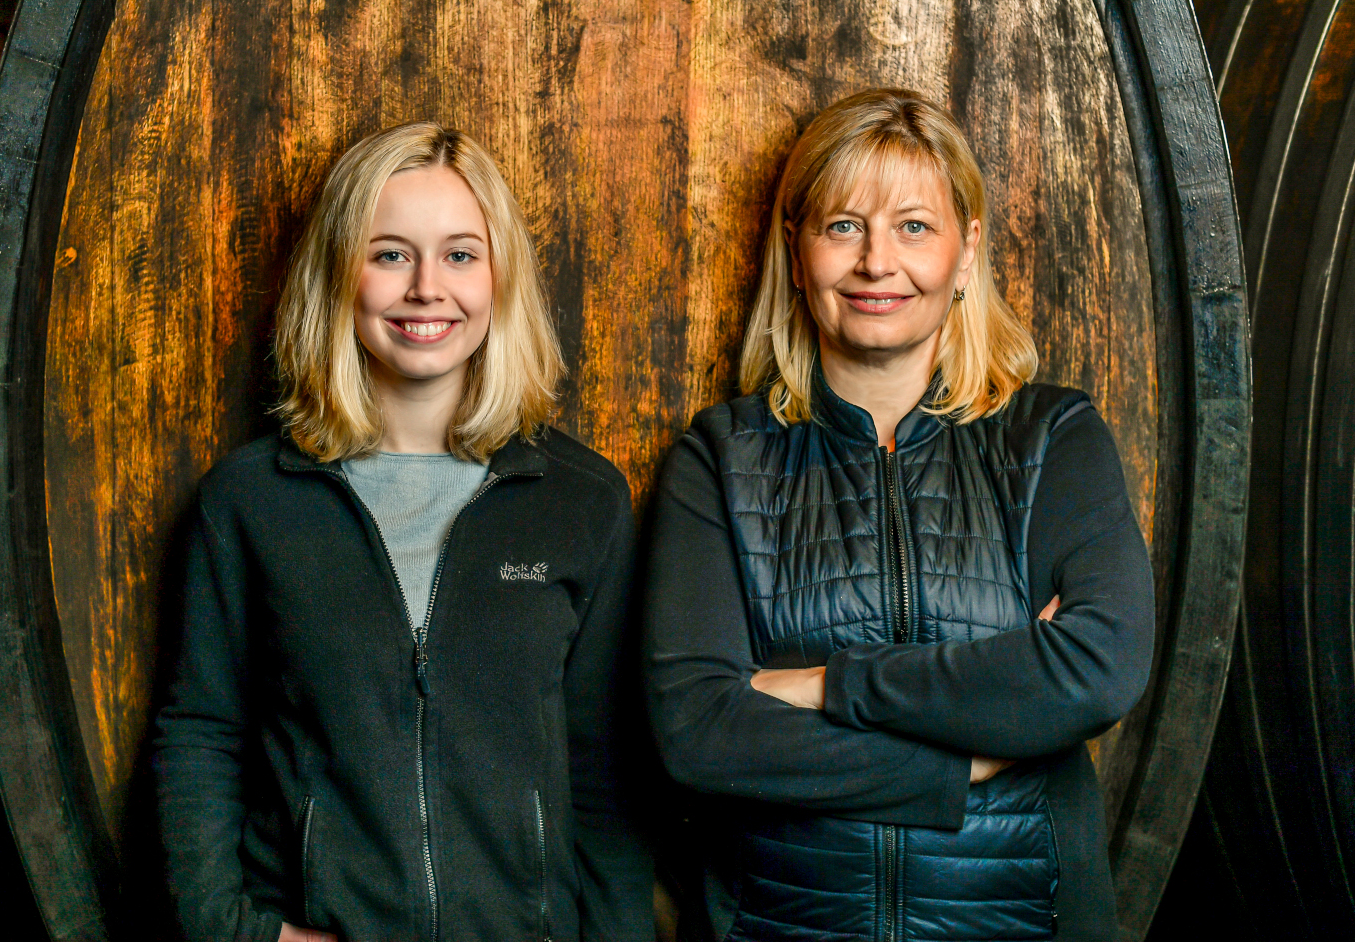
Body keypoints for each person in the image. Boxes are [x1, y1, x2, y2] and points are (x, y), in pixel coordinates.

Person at [642, 89, 1154, 942]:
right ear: (796, 253)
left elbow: (1094, 668)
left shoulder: (1052, 438)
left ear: (966, 250)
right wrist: (971, 757)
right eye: (843, 226)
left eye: (914, 227)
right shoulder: (722, 457)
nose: (878, 262)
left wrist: (826, 686)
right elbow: (699, 731)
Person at [153, 122, 654, 942]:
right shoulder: (251, 500)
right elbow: (203, 735)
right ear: (338, 277)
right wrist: (236, 935)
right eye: (390, 254)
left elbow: (604, 772)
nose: (427, 288)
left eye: (460, 255)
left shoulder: (579, 499)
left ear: (499, 279)